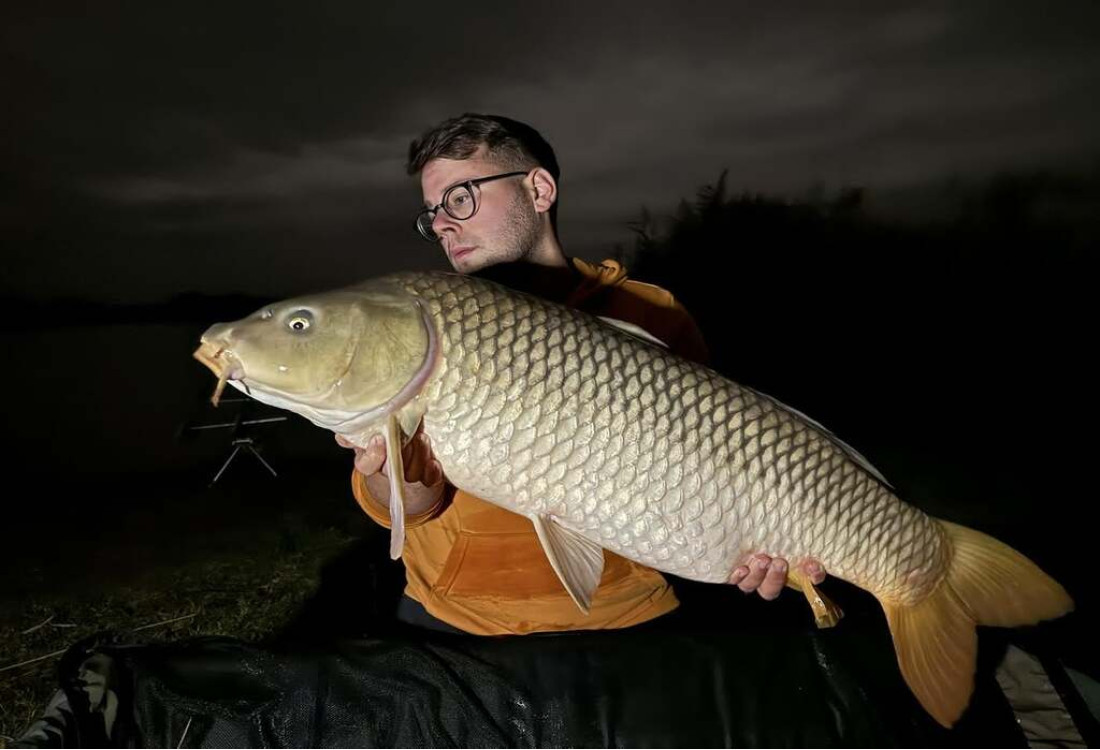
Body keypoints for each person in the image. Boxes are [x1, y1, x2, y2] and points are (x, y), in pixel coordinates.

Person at [337, 114, 825, 635]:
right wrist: (392, 472)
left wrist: (752, 544)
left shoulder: (653, 314)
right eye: (432, 212)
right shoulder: (424, 325)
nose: (441, 224)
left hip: (625, 616)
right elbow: (409, 509)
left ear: (539, 189)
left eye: (460, 198)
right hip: (454, 619)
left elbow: (717, 463)